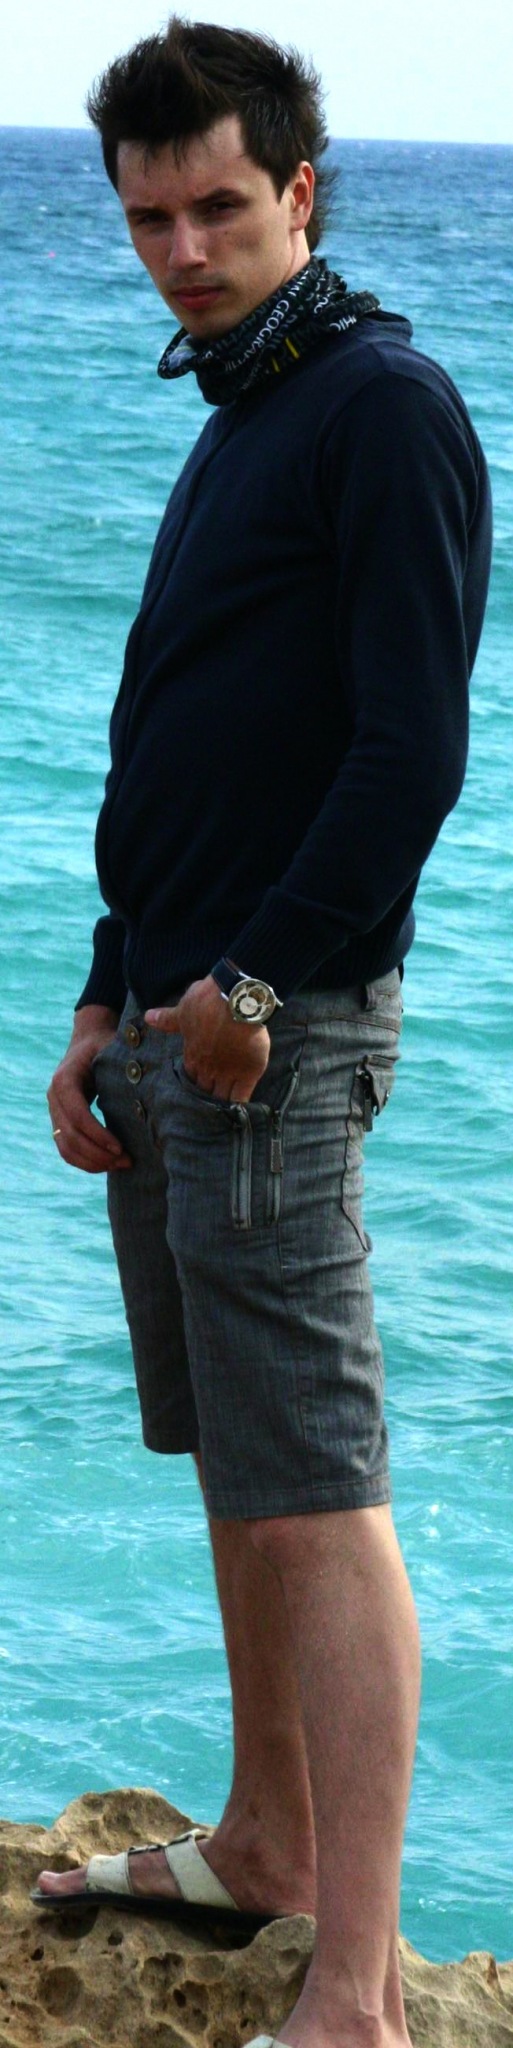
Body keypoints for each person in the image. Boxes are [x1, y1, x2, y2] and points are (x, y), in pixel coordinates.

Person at [36, 18, 492, 2048]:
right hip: (173, 1013)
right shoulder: (245, 408)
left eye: (219, 206)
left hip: (264, 1030)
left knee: (314, 1480)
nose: (183, 250)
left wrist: (245, 991)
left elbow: (409, 755)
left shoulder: (379, 406)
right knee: (236, 1456)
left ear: (299, 192)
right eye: (148, 218)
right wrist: (105, 986)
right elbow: (183, 738)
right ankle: (261, 1844)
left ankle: (355, 1992)